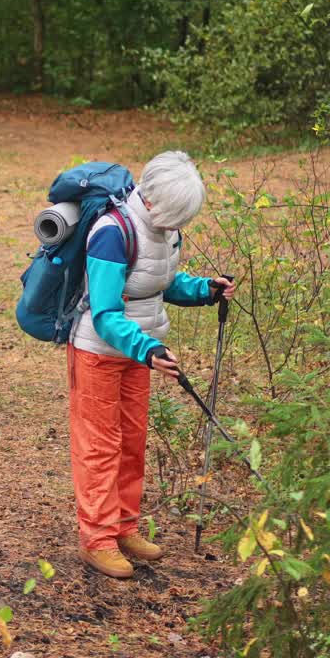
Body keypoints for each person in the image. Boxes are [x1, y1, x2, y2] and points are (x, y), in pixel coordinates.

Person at [67, 151, 236, 578]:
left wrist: (204, 289)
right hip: (99, 353)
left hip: (140, 353)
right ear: (151, 200)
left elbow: (158, 282)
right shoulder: (111, 232)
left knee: (132, 442)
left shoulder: (166, 230)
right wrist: (149, 350)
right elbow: (105, 313)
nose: (177, 226)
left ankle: (125, 527)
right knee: (100, 446)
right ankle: (98, 539)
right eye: (174, 216)